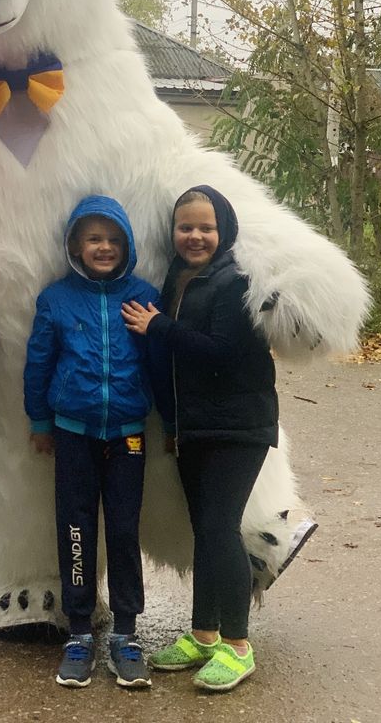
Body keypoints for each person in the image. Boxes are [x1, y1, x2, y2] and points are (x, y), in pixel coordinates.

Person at [121, 185, 279, 692]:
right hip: (195, 426)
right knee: (203, 533)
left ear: (224, 230)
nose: (194, 236)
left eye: (205, 228)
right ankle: (204, 633)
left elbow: (224, 352)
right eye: (185, 227)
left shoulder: (234, 281)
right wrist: (173, 426)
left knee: (219, 531)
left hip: (238, 426)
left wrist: (159, 326)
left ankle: (237, 646)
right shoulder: (177, 278)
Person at [24, 196, 159, 688]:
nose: (104, 247)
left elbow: (158, 364)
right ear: (76, 246)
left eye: (114, 239)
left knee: (124, 531)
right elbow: (38, 362)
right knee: (75, 530)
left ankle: (126, 634)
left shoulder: (144, 295)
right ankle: (79, 633)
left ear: (126, 245)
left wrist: (173, 424)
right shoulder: (56, 299)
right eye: (94, 238)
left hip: (128, 437)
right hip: (73, 434)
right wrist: (39, 419)